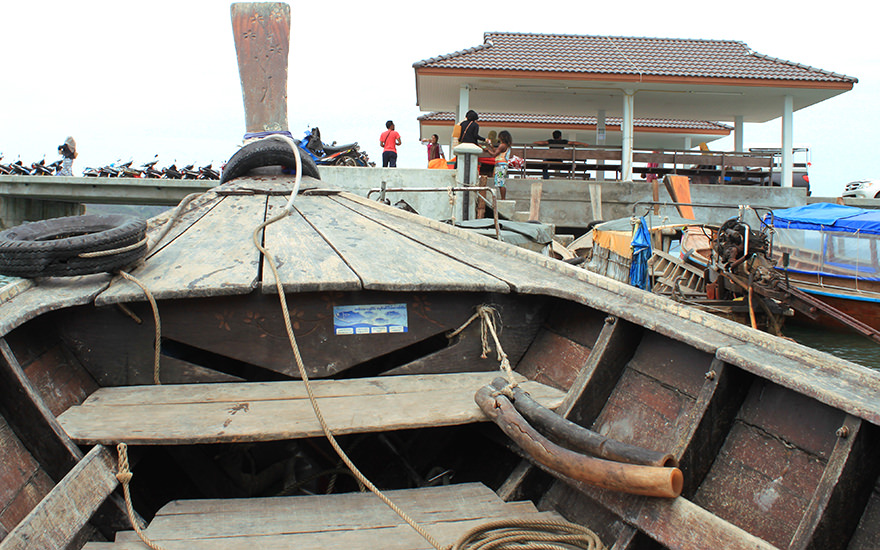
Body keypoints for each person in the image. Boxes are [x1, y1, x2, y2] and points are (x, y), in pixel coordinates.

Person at [482, 130, 512, 201]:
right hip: (503, 164)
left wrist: (487, 150)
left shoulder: (502, 145)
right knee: (501, 182)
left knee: (501, 183)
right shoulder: (506, 146)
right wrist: (491, 146)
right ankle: (503, 198)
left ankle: (503, 199)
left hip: (500, 165)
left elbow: (494, 154)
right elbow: (497, 151)